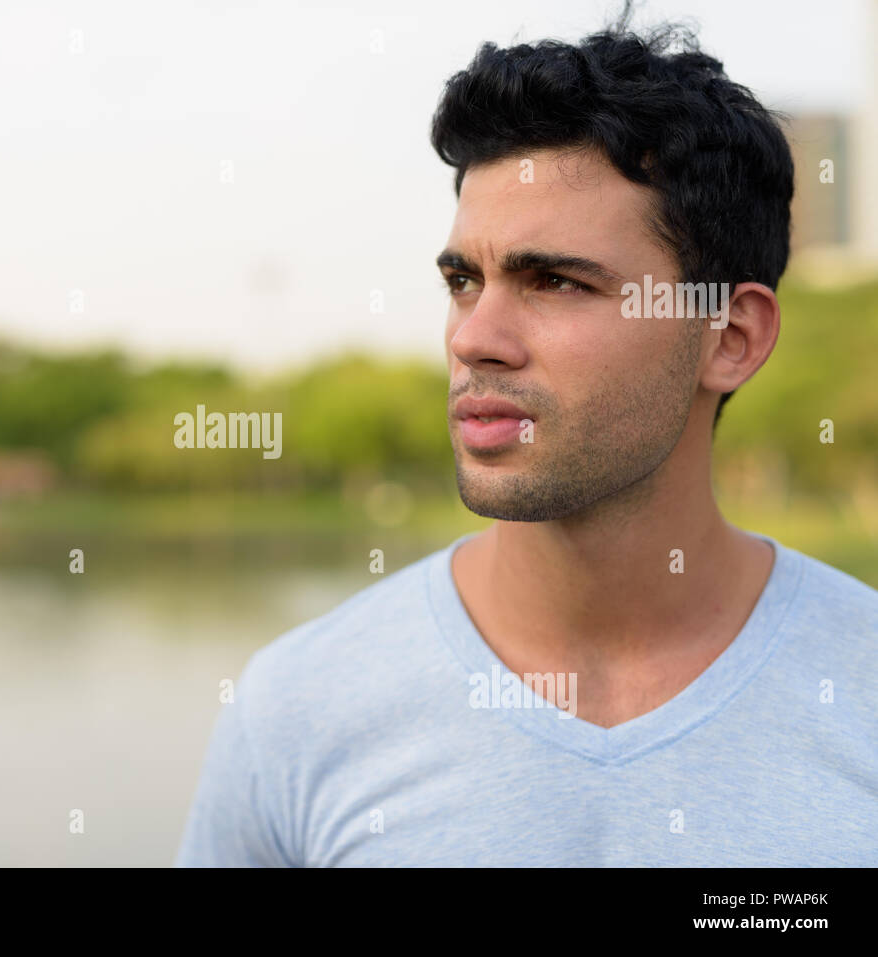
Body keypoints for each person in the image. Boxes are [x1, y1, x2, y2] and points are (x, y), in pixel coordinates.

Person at [174, 16, 878, 866]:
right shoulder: (294, 708)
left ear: (729, 336)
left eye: (555, 281)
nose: (476, 337)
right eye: (464, 280)